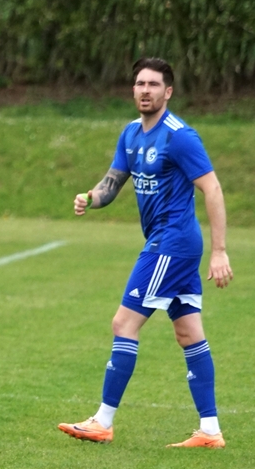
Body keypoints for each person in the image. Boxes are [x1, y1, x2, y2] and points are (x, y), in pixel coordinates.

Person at [58, 57, 233, 447]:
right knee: (189, 332)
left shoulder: (179, 136)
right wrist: (90, 197)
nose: (145, 90)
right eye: (140, 84)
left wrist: (220, 251)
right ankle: (210, 430)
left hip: (171, 243)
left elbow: (213, 188)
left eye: (153, 84)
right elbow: (112, 183)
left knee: (124, 324)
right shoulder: (131, 134)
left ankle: (103, 421)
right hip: (169, 243)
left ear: (168, 92)